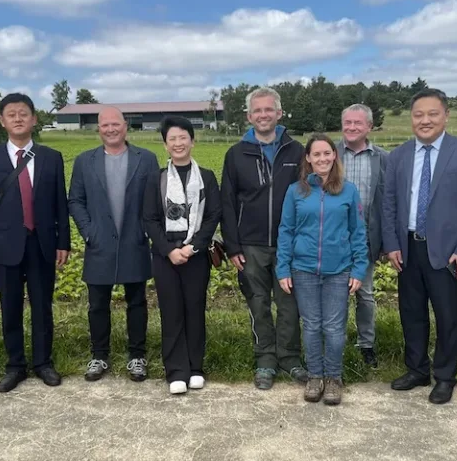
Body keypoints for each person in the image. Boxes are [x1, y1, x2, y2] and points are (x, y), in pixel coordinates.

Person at [382, 88, 457, 404]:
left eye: (432, 114)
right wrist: (391, 244)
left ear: (446, 116)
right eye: (418, 115)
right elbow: (389, 204)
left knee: (447, 316)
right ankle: (417, 370)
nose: (425, 120)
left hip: (447, 251)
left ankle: (445, 377)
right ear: (411, 119)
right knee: (411, 312)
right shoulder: (398, 156)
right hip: (408, 247)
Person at [0, 93, 71, 393]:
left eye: (23, 113)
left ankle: (43, 363)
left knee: (42, 306)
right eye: (11, 114)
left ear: (34, 119)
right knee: (10, 307)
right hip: (5, 245)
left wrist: (64, 242)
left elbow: (60, 203)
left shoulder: (51, 157)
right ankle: (15, 365)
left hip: (42, 243)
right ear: (1, 121)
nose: (18, 118)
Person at [220, 87, 308, 390]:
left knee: (289, 306)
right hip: (250, 245)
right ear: (249, 116)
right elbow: (227, 203)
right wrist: (233, 246)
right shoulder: (235, 154)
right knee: (258, 304)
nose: (263, 115)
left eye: (269, 109)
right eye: (257, 110)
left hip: (289, 245)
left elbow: (307, 197)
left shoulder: (297, 151)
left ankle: (290, 358)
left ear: (279, 113)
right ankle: (265, 360)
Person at [68, 107, 159, 382]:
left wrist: (145, 229)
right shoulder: (85, 161)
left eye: (115, 124)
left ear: (125, 126)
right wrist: (89, 231)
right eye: (105, 125)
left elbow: (155, 199)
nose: (110, 129)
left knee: (137, 302)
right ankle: (99, 355)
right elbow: (76, 200)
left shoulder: (146, 159)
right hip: (99, 244)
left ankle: (137, 356)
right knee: (97, 304)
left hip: (134, 241)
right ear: (99, 129)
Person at [276, 134, 368, 405]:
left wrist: (359, 269)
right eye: (316, 154)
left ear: (334, 155)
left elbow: (358, 232)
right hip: (303, 269)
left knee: (334, 327)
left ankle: (333, 378)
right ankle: (315, 376)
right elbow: (286, 230)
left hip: (338, 270)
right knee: (312, 325)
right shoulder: (296, 191)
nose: (322, 158)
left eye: (327, 153)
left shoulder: (348, 191)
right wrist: (283, 268)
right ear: (308, 158)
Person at [143, 116, 222, 394]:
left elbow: (213, 216)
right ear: (165, 145)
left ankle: (195, 367)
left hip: (196, 255)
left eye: (183, 138)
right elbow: (149, 218)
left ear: (192, 141)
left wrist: (192, 247)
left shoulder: (207, 177)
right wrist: (169, 250)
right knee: (171, 311)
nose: (178, 143)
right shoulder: (157, 178)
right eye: (172, 139)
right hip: (164, 256)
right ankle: (176, 370)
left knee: (195, 309)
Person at [340, 104, 388, 368]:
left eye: (357, 123)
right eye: (347, 122)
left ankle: (366, 343)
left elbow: (388, 203)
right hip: (333, 240)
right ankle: (334, 342)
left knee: (365, 294)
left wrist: (386, 241)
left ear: (369, 126)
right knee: (334, 293)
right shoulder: (330, 154)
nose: (352, 127)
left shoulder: (383, 158)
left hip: (366, 239)